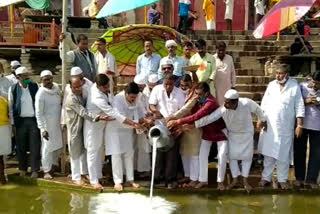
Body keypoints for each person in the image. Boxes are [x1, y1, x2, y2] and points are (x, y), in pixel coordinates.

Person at [191, 89, 266, 191]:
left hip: (247, 134)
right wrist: (193, 124)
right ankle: (235, 180)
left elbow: (258, 110)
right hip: (233, 134)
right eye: (224, 101)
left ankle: (245, 181)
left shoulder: (246, 103)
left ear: (235, 102)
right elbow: (209, 118)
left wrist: (262, 119)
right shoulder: (223, 109)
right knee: (232, 157)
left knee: (247, 158)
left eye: (227, 102)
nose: (225, 104)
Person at [85, 74, 141, 190]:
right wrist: (133, 123)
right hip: (96, 126)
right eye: (105, 87)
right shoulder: (96, 97)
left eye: (108, 86)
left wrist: (134, 122)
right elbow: (113, 112)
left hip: (108, 125)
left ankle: (128, 179)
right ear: (99, 86)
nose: (107, 89)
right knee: (94, 152)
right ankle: (96, 180)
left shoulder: (106, 91)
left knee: (124, 153)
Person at [167, 82, 227, 190]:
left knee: (222, 157)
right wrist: (173, 117)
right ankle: (203, 180)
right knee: (202, 157)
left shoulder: (211, 102)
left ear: (207, 93)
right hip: (207, 132)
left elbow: (197, 116)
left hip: (220, 133)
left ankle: (220, 182)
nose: (197, 96)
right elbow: (187, 109)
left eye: (199, 94)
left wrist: (178, 121)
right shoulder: (198, 98)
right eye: (196, 94)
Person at [258, 64, 305, 190]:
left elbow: (299, 105)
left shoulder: (294, 86)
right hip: (270, 125)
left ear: (287, 74)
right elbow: (264, 103)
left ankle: (282, 179)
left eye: (280, 73)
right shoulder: (271, 85)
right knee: (268, 154)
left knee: (283, 155)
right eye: (277, 73)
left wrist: (299, 124)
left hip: (286, 126)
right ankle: (265, 178)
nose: (278, 76)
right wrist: (260, 119)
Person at [65, 77, 107, 185]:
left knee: (84, 151)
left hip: (84, 125)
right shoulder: (71, 99)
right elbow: (83, 112)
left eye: (80, 86)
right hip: (75, 127)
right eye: (76, 87)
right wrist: (98, 117)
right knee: (75, 152)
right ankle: (75, 177)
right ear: (71, 86)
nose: (79, 88)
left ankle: (83, 173)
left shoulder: (84, 93)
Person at [105, 82, 144, 191]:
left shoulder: (136, 98)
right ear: (126, 93)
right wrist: (136, 124)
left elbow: (140, 112)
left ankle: (130, 179)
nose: (133, 99)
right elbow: (120, 118)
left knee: (129, 153)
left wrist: (145, 119)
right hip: (115, 129)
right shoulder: (118, 99)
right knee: (116, 154)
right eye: (131, 97)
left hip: (128, 129)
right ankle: (117, 181)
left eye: (135, 97)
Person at [149, 73, 185, 189]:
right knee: (158, 153)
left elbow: (182, 110)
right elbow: (151, 105)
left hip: (173, 126)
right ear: (163, 83)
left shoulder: (179, 92)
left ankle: (170, 179)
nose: (168, 87)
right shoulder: (157, 89)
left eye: (170, 84)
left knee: (172, 154)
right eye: (166, 84)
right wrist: (155, 111)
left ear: (174, 83)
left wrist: (176, 123)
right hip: (159, 126)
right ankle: (156, 179)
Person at [8, 67, 41, 178]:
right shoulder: (13, 89)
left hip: (33, 120)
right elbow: (11, 107)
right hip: (20, 121)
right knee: (20, 146)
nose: (27, 77)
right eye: (24, 76)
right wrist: (13, 123)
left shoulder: (34, 86)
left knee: (34, 145)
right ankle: (22, 169)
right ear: (18, 78)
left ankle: (35, 170)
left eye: (27, 75)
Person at [293, 71, 320, 189]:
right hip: (302, 125)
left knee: (317, 154)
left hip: (318, 126)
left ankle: (311, 180)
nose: (315, 86)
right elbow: (294, 103)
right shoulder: (301, 87)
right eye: (314, 82)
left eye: (318, 84)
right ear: (310, 79)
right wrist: (306, 101)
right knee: (299, 151)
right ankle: (299, 178)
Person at [35, 70, 63, 180]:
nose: (48, 81)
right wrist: (42, 128)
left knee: (57, 145)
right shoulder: (40, 94)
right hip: (47, 124)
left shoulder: (56, 88)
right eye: (46, 79)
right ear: (41, 80)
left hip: (57, 122)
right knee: (47, 147)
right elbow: (39, 113)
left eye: (50, 78)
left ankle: (54, 166)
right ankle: (46, 170)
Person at [133, 75, 153, 178]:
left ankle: (144, 170)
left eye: (141, 87)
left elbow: (148, 111)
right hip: (132, 124)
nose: (140, 89)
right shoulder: (131, 95)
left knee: (143, 148)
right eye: (138, 86)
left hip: (143, 125)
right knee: (133, 147)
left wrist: (147, 119)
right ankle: (134, 169)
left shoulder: (145, 97)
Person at [214, 41, 236, 106]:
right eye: (219, 50)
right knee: (217, 105)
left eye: (223, 50)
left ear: (225, 50)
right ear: (216, 49)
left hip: (227, 86)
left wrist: (233, 86)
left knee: (227, 104)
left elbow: (233, 72)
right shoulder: (212, 58)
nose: (221, 52)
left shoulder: (229, 58)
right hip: (216, 87)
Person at [0, 93, 11, 184]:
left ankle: (2, 177)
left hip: (3, 128)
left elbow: (8, 114)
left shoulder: (4, 100)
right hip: (3, 129)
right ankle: (2, 177)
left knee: (0, 156)